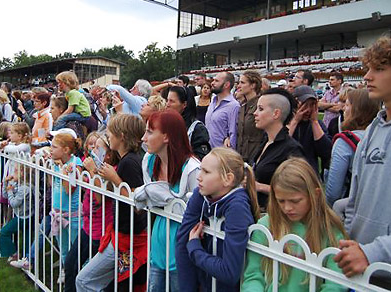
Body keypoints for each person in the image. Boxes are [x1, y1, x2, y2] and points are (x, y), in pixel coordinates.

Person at [335, 37, 391, 288]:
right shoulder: (373, 129)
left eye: (379, 69)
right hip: (360, 269)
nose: (366, 77)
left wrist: (374, 252)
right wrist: (347, 240)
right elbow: (355, 199)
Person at [241, 158, 347, 292]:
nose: (287, 208)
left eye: (295, 201)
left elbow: (335, 285)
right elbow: (253, 275)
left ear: (315, 194)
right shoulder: (265, 226)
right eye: (281, 201)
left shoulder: (331, 231)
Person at [76, 114, 147, 292]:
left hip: (128, 238)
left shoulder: (130, 162)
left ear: (121, 136)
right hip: (121, 233)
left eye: (110, 133)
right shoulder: (125, 160)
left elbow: (138, 202)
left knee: (84, 281)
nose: (107, 137)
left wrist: (115, 179)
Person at [176, 148, 259, 291]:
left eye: (206, 172)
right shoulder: (201, 194)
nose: (199, 177)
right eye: (200, 170)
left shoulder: (237, 207)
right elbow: (182, 243)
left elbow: (229, 272)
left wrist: (195, 248)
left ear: (228, 179)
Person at [135, 110, 200, 291]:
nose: (143, 138)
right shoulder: (149, 161)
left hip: (182, 249)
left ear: (166, 137)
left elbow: (197, 211)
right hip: (158, 246)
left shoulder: (192, 169)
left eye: (149, 132)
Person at [62, 133, 119, 291]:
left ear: (108, 154)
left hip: (99, 230)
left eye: (97, 147)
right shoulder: (96, 169)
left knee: (84, 272)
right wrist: (70, 173)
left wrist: (93, 171)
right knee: (71, 264)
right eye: (91, 146)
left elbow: (100, 199)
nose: (93, 150)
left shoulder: (110, 170)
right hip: (88, 225)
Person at [325, 88, 380, 210]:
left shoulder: (344, 142)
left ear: (357, 110)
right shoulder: (383, 136)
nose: (344, 109)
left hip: (350, 207)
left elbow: (334, 191)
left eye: (347, 105)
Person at [252, 88, 304, 208]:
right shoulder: (266, 141)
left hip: (277, 214)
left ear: (276, 114)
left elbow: (297, 191)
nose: (255, 113)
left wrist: (259, 186)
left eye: (260, 109)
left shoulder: (291, 149)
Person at [49, 130, 84, 283]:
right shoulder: (55, 163)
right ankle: (66, 270)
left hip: (73, 215)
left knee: (78, 249)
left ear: (66, 150)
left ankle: (80, 275)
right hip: (57, 213)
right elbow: (52, 185)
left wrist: (63, 170)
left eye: (54, 147)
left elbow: (69, 190)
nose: (51, 150)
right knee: (63, 248)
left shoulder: (75, 164)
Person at [289, 85, 332, 176]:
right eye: (304, 105)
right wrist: (295, 121)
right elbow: (279, 147)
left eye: (312, 105)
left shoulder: (317, 125)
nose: (308, 110)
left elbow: (326, 152)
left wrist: (314, 122)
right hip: (288, 174)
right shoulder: (284, 121)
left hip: (310, 175)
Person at [0, 162, 35, 263]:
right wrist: (5, 183)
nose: (12, 173)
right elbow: (5, 195)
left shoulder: (25, 188)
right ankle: (26, 258)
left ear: (22, 174)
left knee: (4, 233)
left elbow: (14, 203)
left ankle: (14, 254)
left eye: (15, 171)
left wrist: (10, 191)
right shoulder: (17, 184)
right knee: (26, 238)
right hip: (21, 214)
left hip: (25, 217)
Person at [166, 86, 211, 160]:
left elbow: (202, 159)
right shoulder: (167, 124)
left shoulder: (197, 128)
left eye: (172, 101)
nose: (167, 104)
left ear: (184, 104)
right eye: (167, 100)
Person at [205, 71, 240, 149]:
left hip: (222, 156)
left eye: (216, 81)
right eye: (213, 80)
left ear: (226, 85)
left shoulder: (233, 106)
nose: (212, 83)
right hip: (208, 153)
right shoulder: (213, 101)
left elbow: (233, 134)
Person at [235, 71, 265, 163]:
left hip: (256, 156)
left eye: (242, 83)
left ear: (253, 85)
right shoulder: (242, 106)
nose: (238, 86)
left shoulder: (261, 104)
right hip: (241, 156)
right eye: (239, 82)